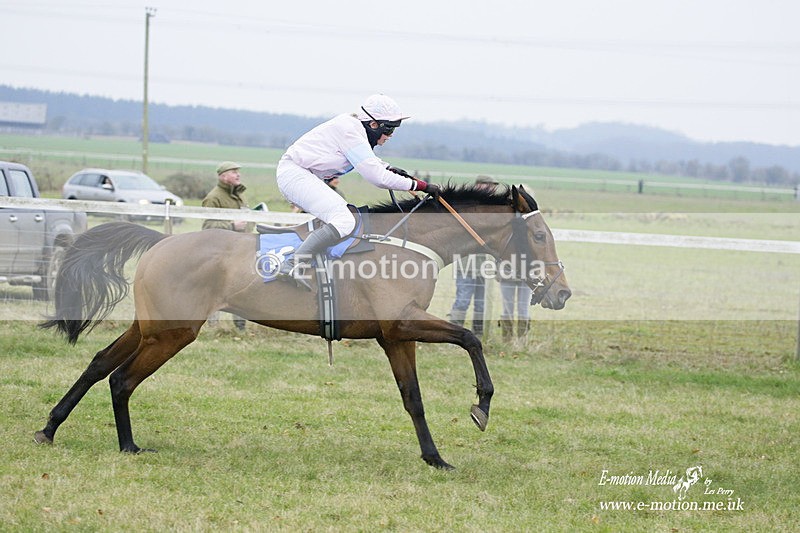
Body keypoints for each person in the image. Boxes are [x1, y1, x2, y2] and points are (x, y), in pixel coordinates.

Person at [275, 94, 441, 288]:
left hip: (305, 176)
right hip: (295, 175)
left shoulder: (354, 129)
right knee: (345, 221)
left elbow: (371, 162)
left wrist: (389, 168)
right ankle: (292, 264)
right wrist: (420, 185)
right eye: (389, 129)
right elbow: (376, 177)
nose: (390, 135)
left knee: (347, 217)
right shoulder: (349, 130)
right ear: (372, 124)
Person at [202, 161, 253, 330]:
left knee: (241, 289)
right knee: (215, 289)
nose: (238, 174)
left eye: (238, 171)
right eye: (233, 172)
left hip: (241, 250)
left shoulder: (240, 195)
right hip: (222, 253)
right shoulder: (213, 198)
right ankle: (213, 327)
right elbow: (208, 226)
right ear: (223, 176)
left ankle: (240, 327)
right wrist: (232, 226)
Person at [447, 175, 500, 338]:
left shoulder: (492, 210)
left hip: (486, 267)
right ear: (479, 186)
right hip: (466, 266)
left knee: (481, 304)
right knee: (462, 301)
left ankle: (478, 334)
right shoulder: (468, 207)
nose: (491, 189)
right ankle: (454, 334)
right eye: (488, 185)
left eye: (493, 186)